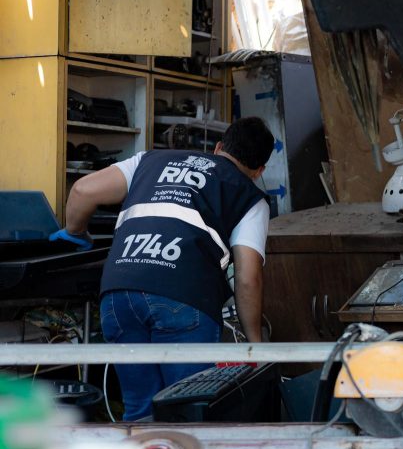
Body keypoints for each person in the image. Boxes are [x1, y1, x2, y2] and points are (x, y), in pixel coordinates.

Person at [52, 117, 275, 420]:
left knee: (140, 410)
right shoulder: (250, 198)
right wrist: (255, 344)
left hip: (119, 294)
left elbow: (82, 191)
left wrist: (74, 232)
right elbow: (248, 280)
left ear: (218, 146)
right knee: (186, 412)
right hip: (184, 299)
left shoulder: (150, 159)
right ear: (259, 170)